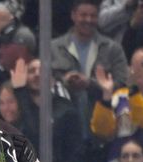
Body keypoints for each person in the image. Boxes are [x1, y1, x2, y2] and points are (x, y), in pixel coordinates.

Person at [51, 0, 129, 141]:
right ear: (73, 15)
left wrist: (91, 84)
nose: (88, 20)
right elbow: (43, 83)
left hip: (104, 130)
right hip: (64, 132)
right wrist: (64, 81)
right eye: (83, 15)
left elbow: (123, 85)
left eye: (93, 16)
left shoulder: (113, 49)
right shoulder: (54, 48)